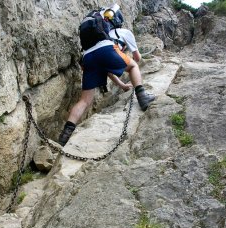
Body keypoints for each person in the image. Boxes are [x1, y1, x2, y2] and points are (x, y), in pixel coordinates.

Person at [58, 4, 155, 146]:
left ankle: (64, 137)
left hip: (87, 57)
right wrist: (127, 57)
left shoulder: (102, 32)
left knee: (84, 101)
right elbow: (137, 58)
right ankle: (142, 97)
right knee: (133, 66)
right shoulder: (124, 32)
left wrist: (121, 85)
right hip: (107, 49)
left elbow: (106, 69)